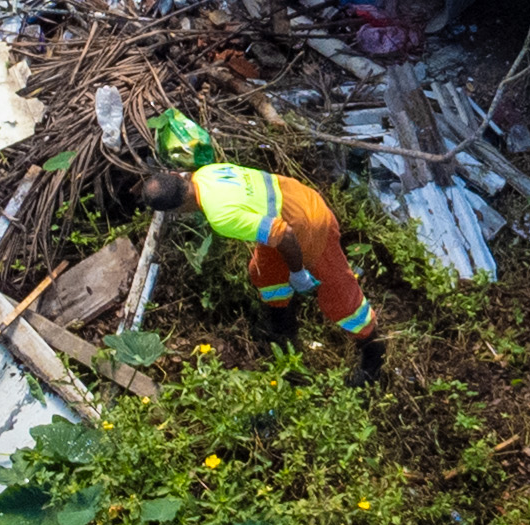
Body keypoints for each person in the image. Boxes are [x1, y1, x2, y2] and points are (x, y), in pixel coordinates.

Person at [139, 161, 387, 376]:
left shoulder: (220, 215)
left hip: (308, 225)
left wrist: (298, 272)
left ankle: (373, 350)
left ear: (178, 209)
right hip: (294, 200)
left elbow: (285, 235)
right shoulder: (207, 173)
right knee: (265, 273)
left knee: (337, 293)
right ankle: (282, 323)